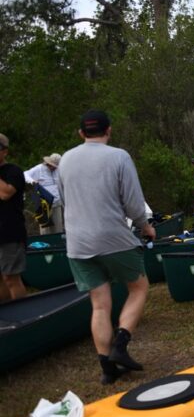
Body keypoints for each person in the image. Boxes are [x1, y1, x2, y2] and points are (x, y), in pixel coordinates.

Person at [58, 110, 156, 384]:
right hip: (112, 237)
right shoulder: (118, 157)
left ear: (81, 133)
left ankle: (107, 370)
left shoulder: (65, 160)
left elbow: (64, 198)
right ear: (109, 131)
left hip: (77, 242)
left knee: (99, 304)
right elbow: (134, 203)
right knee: (138, 287)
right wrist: (145, 225)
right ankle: (121, 346)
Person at [0, 133, 27, 302]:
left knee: (11, 278)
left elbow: (5, 194)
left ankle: (24, 317)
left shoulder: (13, 171)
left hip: (9, 232)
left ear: (5, 151)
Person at [24, 153, 63, 234]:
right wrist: (32, 181)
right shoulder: (39, 168)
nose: (53, 167)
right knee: (45, 230)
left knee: (58, 229)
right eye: (52, 165)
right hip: (44, 205)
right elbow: (25, 174)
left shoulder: (59, 170)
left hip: (57, 203)